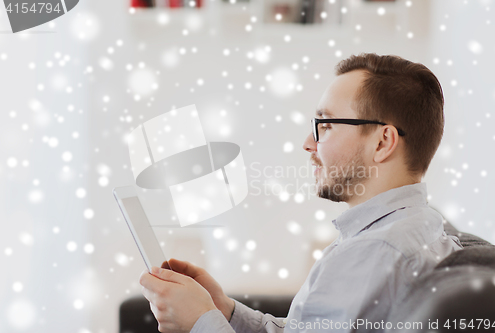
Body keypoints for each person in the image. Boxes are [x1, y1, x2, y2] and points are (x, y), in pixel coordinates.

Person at [139, 53, 464, 333]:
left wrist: (199, 321)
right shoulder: (419, 228)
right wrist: (225, 311)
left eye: (326, 125)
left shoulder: (374, 250)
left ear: (382, 142)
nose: (308, 144)